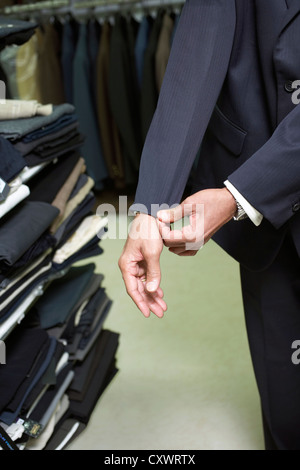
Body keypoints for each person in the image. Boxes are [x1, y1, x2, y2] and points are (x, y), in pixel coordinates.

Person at [118, 0, 300, 450]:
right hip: (268, 228)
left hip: (252, 194)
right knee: (285, 400)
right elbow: (195, 53)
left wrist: (240, 195)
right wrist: (149, 208)